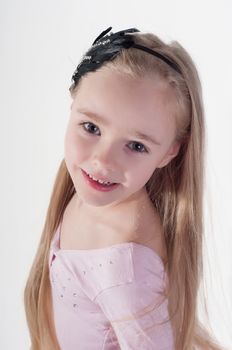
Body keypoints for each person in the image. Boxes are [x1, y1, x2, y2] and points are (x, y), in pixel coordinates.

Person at [24, 27, 227, 350]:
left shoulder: (126, 266)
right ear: (72, 103)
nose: (102, 161)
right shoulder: (87, 193)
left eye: (135, 145)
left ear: (171, 151)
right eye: (91, 128)